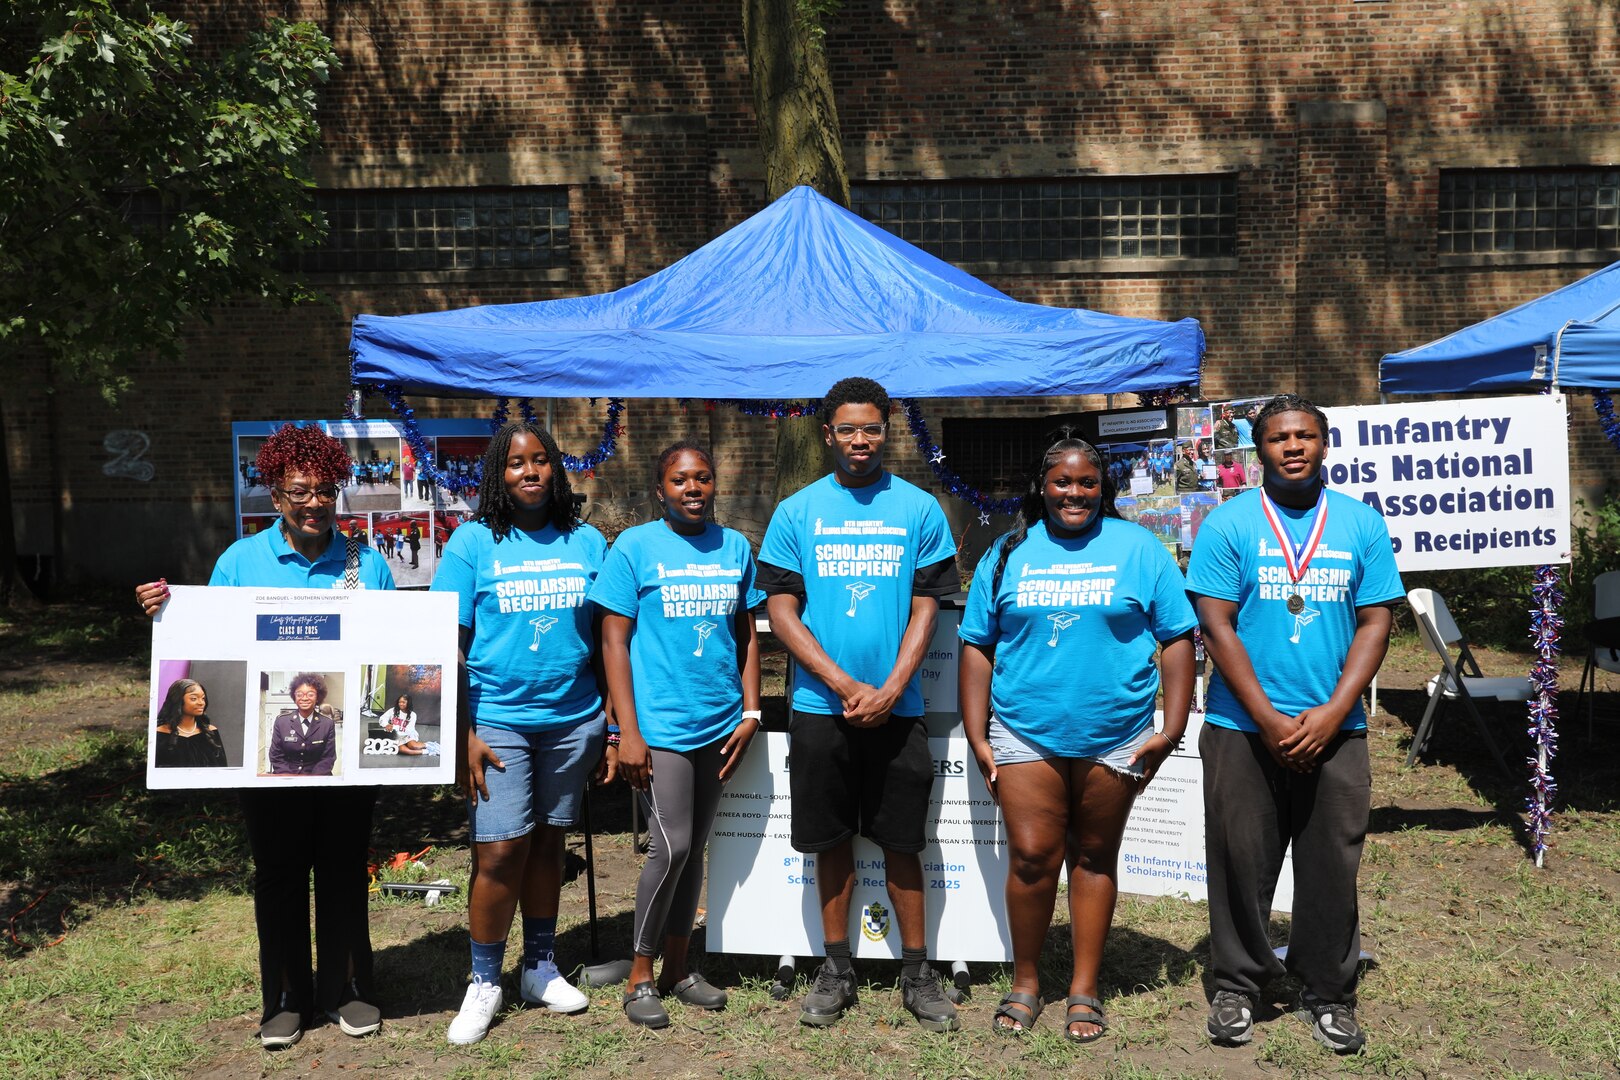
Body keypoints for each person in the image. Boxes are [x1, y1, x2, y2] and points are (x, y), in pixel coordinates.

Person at [134, 422, 394, 1049]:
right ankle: (283, 999)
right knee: (278, 872)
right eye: (299, 491)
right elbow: (205, 642)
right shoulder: (240, 562)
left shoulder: (368, 563)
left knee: (340, 868)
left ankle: (349, 990)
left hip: (342, 760)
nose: (313, 503)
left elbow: (390, 649)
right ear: (275, 497)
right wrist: (166, 609)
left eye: (325, 491)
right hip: (264, 757)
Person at [1185, 393, 1403, 1055]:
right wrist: (1267, 718)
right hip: (1242, 727)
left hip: (1336, 729)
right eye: (1279, 437)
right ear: (1260, 449)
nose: (1293, 447)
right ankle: (1238, 985)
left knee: (1331, 863)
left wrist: (1337, 709)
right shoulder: (1230, 525)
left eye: (1305, 435)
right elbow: (1215, 624)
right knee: (1239, 861)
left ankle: (1328, 992)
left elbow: (1377, 620)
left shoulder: (1362, 524)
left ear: (1323, 443)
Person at [959, 438, 1195, 1043]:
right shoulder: (1008, 552)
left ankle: (1085, 988)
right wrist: (975, 727)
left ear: (1102, 488)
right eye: (1063, 482)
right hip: (1022, 729)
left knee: (1094, 854)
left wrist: (1171, 727)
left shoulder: (1140, 548)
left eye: (1087, 482)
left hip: (1116, 732)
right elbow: (977, 645)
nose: (1075, 494)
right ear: (1043, 486)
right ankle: (1028, 981)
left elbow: (1176, 639)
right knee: (1033, 857)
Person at [757, 376, 961, 1032]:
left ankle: (917, 972)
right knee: (830, 839)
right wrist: (843, 685)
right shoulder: (797, 512)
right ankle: (837, 967)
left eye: (871, 428)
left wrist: (896, 685)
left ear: (887, 430)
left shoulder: (920, 509)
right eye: (847, 429)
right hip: (821, 708)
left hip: (899, 709)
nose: (860, 440)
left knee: (903, 841)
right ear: (828, 435)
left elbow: (929, 605)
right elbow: (781, 610)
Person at [432, 420, 614, 1045]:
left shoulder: (588, 542)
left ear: (556, 470)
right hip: (497, 721)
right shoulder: (471, 543)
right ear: (496, 474)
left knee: (546, 847)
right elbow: (444, 645)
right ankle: (484, 980)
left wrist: (609, 724)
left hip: (573, 720)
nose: (530, 472)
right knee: (501, 849)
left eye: (541, 461)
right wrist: (462, 733)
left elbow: (613, 639)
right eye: (516, 463)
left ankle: (539, 966)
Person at [590, 440, 765, 1029]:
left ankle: (678, 968)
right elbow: (613, 641)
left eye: (704, 478)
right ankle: (640, 975)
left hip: (718, 724)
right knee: (673, 847)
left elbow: (745, 634)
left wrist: (750, 713)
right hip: (658, 727)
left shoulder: (735, 547)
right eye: (680, 480)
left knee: (695, 854)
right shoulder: (634, 548)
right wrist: (624, 730)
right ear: (659, 490)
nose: (694, 488)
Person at [267, 672, 340, 776]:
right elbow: (276, 756)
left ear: (318, 697)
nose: (304, 698)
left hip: (316, 778)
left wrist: (310, 782)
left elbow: (328, 758)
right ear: (294, 697)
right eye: (299, 694)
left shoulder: (327, 724)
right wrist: (290, 779)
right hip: (286, 777)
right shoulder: (281, 721)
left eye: (310, 694)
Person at [152, 678, 229, 769]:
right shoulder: (159, 734)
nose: (201, 703)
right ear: (178, 700)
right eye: (194, 698)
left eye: (203, 698)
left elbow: (222, 768)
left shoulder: (211, 732)